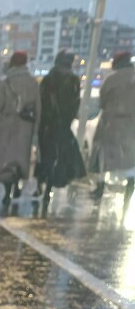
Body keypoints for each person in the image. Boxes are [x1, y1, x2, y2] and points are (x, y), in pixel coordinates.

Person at [0, 51, 41, 205]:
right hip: (26, 126)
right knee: (20, 157)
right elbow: (38, 107)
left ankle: (7, 189)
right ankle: (17, 184)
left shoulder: (6, 82)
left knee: (7, 158)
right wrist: (35, 129)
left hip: (7, 125)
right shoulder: (33, 83)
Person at [34, 51, 86, 205]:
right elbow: (75, 103)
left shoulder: (48, 79)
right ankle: (54, 182)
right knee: (60, 155)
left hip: (47, 124)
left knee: (45, 155)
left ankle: (41, 183)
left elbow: (41, 101)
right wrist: (67, 118)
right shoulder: (73, 81)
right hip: (63, 125)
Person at [89, 51, 135, 207]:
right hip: (131, 127)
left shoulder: (112, 79)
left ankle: (99, 189)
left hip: (111, 125)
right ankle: (128, 196)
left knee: (103, 158)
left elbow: (102, 102)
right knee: (131, 163)